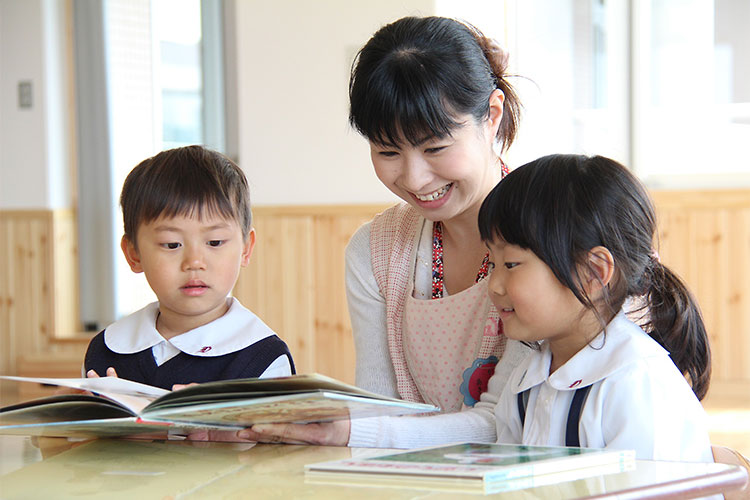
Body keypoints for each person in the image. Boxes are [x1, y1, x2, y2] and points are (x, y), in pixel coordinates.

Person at [242, 15, 528, 448]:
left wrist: (353, 431)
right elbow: (377, 405)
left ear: (491, 116)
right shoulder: (375, 252)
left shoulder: (548, 237)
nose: (414, 178)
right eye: (388, 150)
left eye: (435, 147)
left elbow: (508, 422)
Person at [479, 154, 713, 461]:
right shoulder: (526, 379)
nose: (493, 284)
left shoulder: (636, 383)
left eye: (511, 264)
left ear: (594, 272)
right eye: (492, 264)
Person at [83, 145, 295, 390]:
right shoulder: (107, 348)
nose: (194, 262)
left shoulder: (263, 357)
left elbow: (275, 430)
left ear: (246, 248)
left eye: (215, 242)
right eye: (171, 244)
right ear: (134, 254)